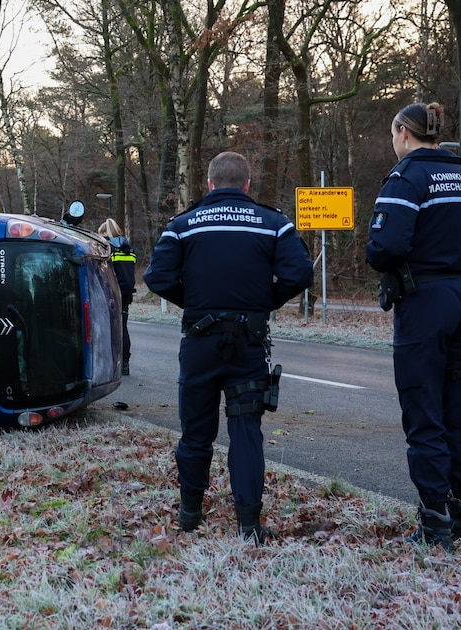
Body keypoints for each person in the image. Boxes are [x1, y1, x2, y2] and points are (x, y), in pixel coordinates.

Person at [144, 151, 313, 544]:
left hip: (200, 343)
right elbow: (300, 272)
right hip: (249, 345)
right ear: (248, 184)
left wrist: (195, 302)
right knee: (246, 432)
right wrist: (265, 301)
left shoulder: (183, 225)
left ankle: (189, 516)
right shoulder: (273, 223)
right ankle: (249, 525)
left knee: (195, 432)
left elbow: (157, 276)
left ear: (209, 183)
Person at [366, 102, 461, 551]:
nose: (393, 145)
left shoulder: (407, 178)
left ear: (403, 134)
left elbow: (384, 246)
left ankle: (434, 525)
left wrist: (414, 258)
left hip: (423, 301)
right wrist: (456, 251)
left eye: (393, 137)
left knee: (423, 411)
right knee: (457, 411)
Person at [98, 218, 136, 375]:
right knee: (123, 328)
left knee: (108, 329)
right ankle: (125, 363)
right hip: (126, 294)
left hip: (112, 293)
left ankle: (111, 362)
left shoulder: (108, 248)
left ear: (106, 233)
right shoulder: (129, 249)